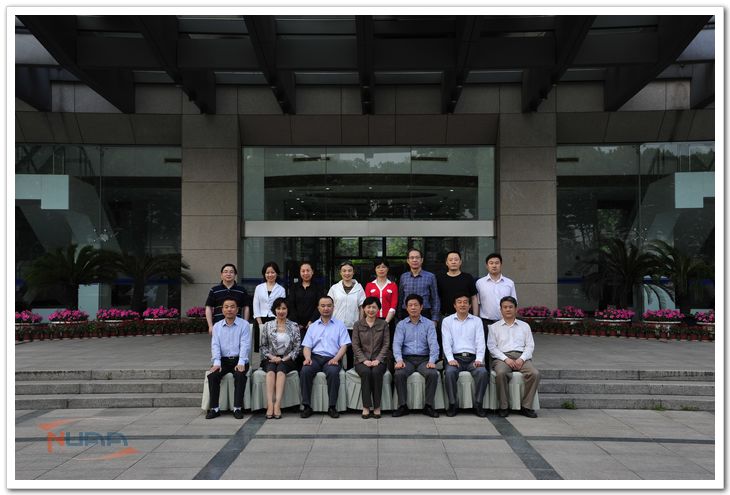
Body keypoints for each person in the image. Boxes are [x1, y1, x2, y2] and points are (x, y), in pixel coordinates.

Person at [487, 296, 540, 419]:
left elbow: (530, 345)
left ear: (516, 309)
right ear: (501, 310)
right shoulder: (494, 327)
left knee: (535, 374)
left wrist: (522, 358)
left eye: (510, 307)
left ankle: (526, 406)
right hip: (502, 358)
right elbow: (492, 347)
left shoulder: (525, 326)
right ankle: (504, 406)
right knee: (500, 373)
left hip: (522, 357)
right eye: (505, 307)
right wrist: (506, 359)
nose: (508, 309)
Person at [300, 296, 351, 419]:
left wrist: (336, 359)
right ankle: (306, 406)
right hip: (315, 358)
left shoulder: (340, 325)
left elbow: (344, 346)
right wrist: (307, 358)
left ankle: (332, 406)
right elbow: (307, 346)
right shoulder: (313, 326)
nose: (326, 308)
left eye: (329, 306)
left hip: (332, 358)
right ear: (318, 308)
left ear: (333, 307)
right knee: (305, 371)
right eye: (323, 306)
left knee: (333, 373)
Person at [392, 294, 440, 418]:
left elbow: (433, 344)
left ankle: (428, 406)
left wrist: (432, 361)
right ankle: (403, 406)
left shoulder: (429, 324)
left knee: (432, 374)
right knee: (399, 373)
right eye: (410, 305)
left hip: (424, 359)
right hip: (407, 359)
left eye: (416, 305)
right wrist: (399, 360)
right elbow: (396, 344)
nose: (413, 308)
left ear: (421, 307)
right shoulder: (401, 325)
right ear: (406, 308)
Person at [441, 294, 488, 418]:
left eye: (465, 302)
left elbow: (480, 341)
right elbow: (446, 342)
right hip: (455, 358)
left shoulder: (477, 321)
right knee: (450, 372)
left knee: (482, 372)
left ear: (470, 305)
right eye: (459, 302)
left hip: (473, 358)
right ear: (454, 305)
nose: (462, 304)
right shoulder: (447, 321)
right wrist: (450, 359)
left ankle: (478, 404)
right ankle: (452, 404)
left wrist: (479, 359)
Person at [206, 298, 251, 420]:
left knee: (240, 375)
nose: (229, 309)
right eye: (226, 307)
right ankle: (214, 409)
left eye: (232, 307)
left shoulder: (244, 325)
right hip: (223, 360)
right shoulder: (217, 326)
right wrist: (217, 362)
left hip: (239, 359)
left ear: (237, 310)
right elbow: (215, 345)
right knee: (213, 376)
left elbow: (245, 345)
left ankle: (237, 408)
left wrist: (241, 362)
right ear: (222, 310)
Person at [259, 297, 301, 419]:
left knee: (281, 368)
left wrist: (284, 359)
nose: (281, 311)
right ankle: (270, 404)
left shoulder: (294, 326)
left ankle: (277, 404)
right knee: (271, 369)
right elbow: (263, 346)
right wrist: (273, 357)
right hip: (270, 357)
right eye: (278, 308)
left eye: (284, 308)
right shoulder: (267, 325)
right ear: (274, 310)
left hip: (288, 359)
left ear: (288, 310)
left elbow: (297, 347)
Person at [351, 297, 390, 419]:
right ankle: (366, 406)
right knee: (366, 372)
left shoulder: (383, 324)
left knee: (377, 372)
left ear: (378, 309)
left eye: (374, 307)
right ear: (364, 308)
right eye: (368, 307)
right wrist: (364, 360)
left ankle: (377, 406)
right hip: (361, 360)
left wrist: (378, 359)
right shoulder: (358, 325)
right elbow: (355, 345)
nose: (371, 310)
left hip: (379, 360)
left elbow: (386, 344)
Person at [327, 261, 365, 370]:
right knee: (336, 350)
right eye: (344, 271)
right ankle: (337, 370)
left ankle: (349, 371)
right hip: (336, 325)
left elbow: (361, 307)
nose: (347, 273)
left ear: (353, 272)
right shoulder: (334, 288)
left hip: (353, 326)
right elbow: (329, 305)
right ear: (340, 272)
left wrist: (360, 323)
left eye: (349, 271)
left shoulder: (359, 288)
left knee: (350, 351)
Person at [205, 263, 251, 335]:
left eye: (231, 272)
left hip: (237, 326)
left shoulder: (242, 290)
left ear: (235, 275)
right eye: (225, 272)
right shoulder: (214, 290)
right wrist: (210, 326)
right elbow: (208, 307)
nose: (228, 274)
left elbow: (246, 307)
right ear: (221, 275)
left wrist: (245, 323)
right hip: (218, 326)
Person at [397, 248, 440, 324]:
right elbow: (400, 298)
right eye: (412, 258)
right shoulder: (403, 277)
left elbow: (435, 298)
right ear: (408, 261)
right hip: (406, 314)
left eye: (417, 257)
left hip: (425, 313)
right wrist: (399, 317)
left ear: (422, 260)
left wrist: (435, 319)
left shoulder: (430, 276)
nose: (414, 260)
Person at [476, 253, 517, 327]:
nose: (494, 265)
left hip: (505, 322)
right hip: (485, 322)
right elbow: (477, 303)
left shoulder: (509, 283)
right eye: (491, 263)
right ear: (487, 266)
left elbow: (514, 303)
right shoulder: (480, 283)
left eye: (497, 263)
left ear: (501, 265)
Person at [253, 261, 286, 351]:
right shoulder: (259, 288)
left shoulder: (281, 289)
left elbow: (281, 307)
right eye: (267, 273)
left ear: (277, 273)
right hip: (260, 319)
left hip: (275, 320)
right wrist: (260, 323)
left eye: (272, 272)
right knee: (261, 346)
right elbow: (256, 305)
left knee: (274, 346)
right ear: (264, 274)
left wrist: (278, 321)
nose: (270, 275)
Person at [436, 251, 478, 318]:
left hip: (465, 316)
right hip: (445, 316)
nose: (453, 262)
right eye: (450, 260)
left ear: (460, 262)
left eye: (456, 260)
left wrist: (475, 317)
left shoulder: (468, 277)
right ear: (446, 262)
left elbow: (474, 298)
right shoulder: (439, 278)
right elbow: (436, 299)